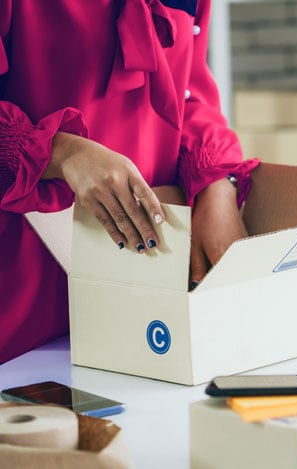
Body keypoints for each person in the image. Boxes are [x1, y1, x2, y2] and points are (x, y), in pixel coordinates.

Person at [0, 0, 259, 363]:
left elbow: (190, 94)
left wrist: (218, 184)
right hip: (21, 299)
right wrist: (62, 153)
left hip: (144, 295)